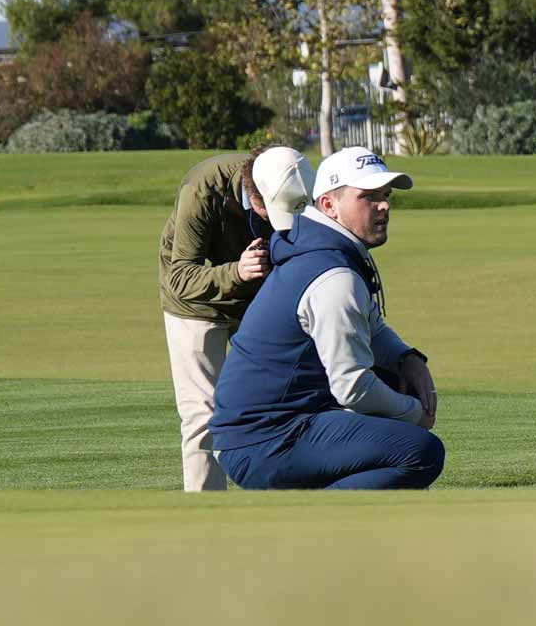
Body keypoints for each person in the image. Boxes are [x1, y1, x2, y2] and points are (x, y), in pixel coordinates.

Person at [210, 146, 444, 490]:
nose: (384, 206)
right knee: (419, 451)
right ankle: (313, 523)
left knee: (395, 382)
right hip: (263, 441)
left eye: (386, 195)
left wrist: (407, 359)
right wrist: (415, 414)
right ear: (329, 205)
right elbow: (352, 386)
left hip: (267, 429)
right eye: (368, 197)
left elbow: (372, 325)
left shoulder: (320, 248)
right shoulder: (333, 274)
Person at [159, 145, 316, 492]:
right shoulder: (202, 189)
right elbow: (180, 277)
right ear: (252, 191)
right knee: (204, 417)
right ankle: (205, 520)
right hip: (196, 305)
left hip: (259, 300)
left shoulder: (294, 180)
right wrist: (237, 272)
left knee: (285, 400)